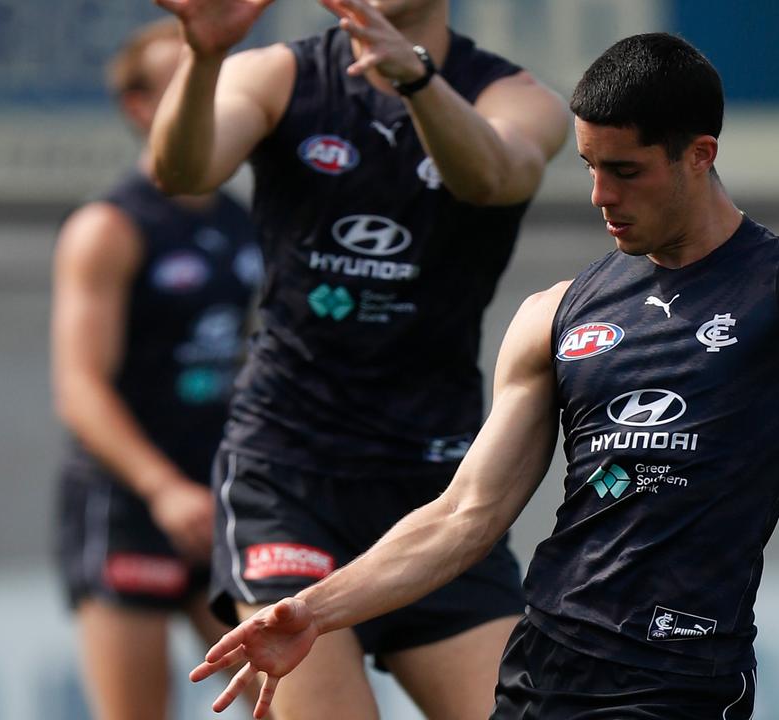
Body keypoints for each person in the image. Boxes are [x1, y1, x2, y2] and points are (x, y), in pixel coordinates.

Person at [190, 1, 779, 718]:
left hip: (675, 683)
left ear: (699, 154)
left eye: (626, 171)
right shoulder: (556, 314)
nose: (601, 194)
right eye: (589, 168)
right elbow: (465, 516)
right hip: (542, 673)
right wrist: (315, 611)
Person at [147, 0, 570, 717]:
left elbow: (493, 178)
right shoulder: (276, 75)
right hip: (286, 475)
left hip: (435, 491)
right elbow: (182, 171)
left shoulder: (514, 96)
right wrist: (205, 56)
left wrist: (416, 83)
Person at [51, 19, 262, 720]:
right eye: (182, 83)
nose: (204, 99)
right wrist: (162, 488)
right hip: (130, 504)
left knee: (289, 695)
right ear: (140, 107)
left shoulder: (247, 224)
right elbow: (79, 387)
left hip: (223, 500)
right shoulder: (108, 228)